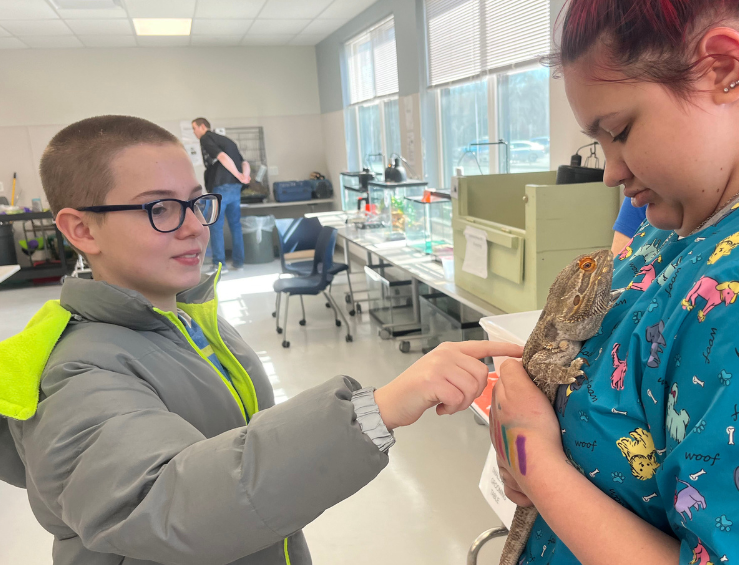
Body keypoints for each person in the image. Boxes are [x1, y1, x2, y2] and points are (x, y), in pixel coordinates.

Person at [0, 115, 522, 565]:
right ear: (81, 230)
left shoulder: (182, 319)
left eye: (196, 203)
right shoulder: (75, 374)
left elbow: (237, 447)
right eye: (159, 208)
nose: (194, 229)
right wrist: (375, 410)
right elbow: (163, 502)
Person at [490, 1, 739, 563]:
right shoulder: (697, 210)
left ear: (724, 70)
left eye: (621, 131)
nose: (610, 170)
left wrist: (538, 465)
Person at [192, 117, 249, 274]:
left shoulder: (206, 138)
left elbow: (222, 157)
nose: (194, 132)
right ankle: (239, 263)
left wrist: (237, 174)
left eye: (194, 128)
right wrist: (244, 176)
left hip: (221, 187)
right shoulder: (227, 140)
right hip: (235, 188)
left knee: (215, 226)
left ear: (202, 126)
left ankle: (219, 265)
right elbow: (245, 163)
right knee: (235, 226)